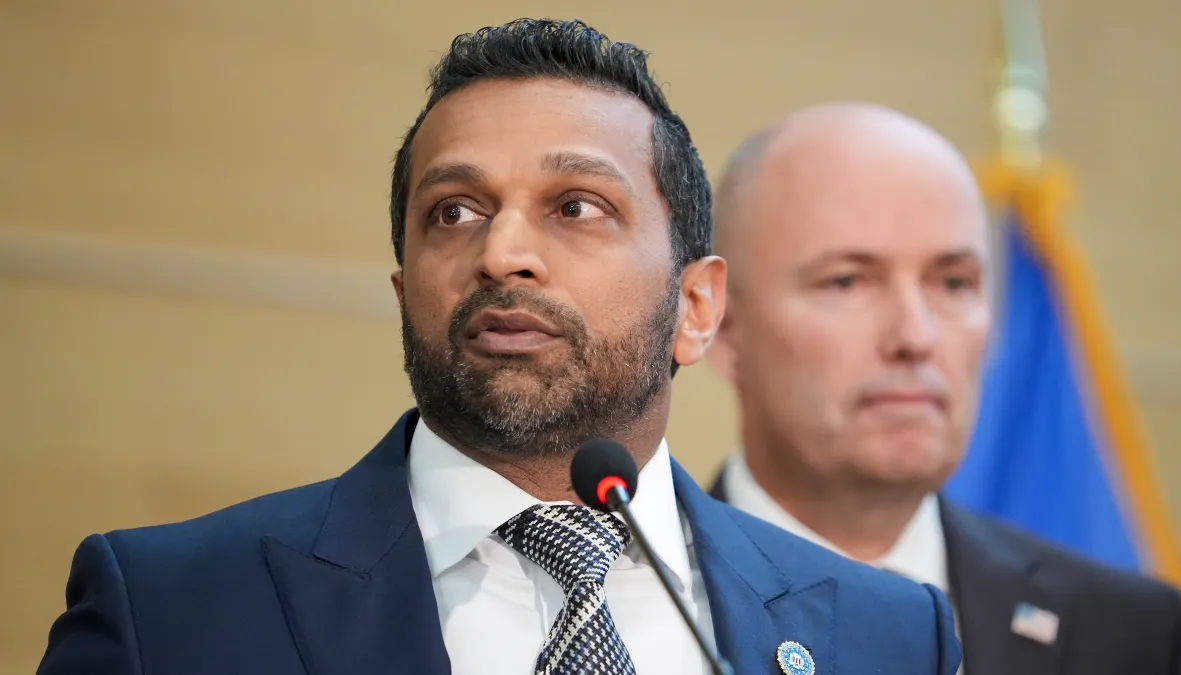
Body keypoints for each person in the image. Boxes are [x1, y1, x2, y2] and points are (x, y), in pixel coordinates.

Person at [36, 21, 961, 675]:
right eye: (454, 211)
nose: (502, 252)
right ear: (405, 292)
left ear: (696, 305)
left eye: (576, 207)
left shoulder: (886, 637)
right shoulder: (167, 609)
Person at [706, 101, 1181, 675]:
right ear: (724, 328)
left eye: (955, 282)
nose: (916, 336)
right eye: (847, 281)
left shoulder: (1128, 631)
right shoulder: (634, 609)